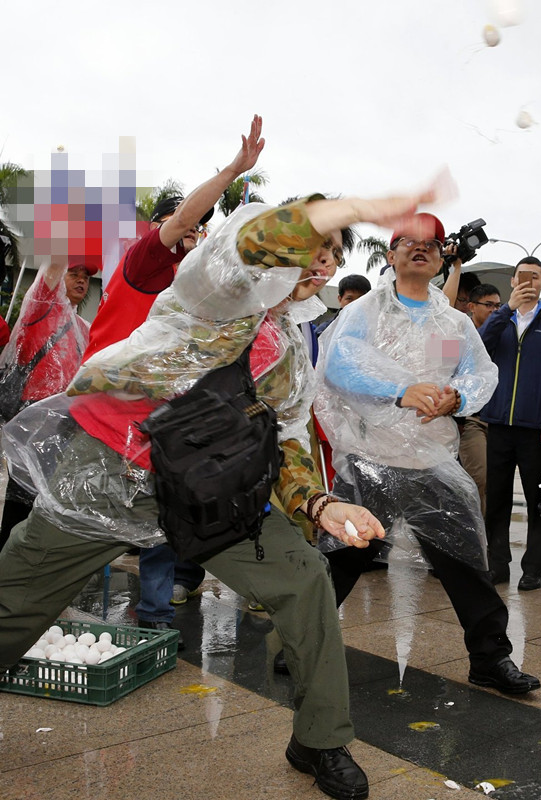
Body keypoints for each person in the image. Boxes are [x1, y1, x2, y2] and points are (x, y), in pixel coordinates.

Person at [0, 187, 442, 800]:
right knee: (16, 602)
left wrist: (321, 504)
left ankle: (319, 739)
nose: (322, 259)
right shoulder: (216, 290)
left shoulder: (289, 352)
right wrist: (355, 207)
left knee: (305, 577)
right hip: (105, 472)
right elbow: (252, 244)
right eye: (316, 242)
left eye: (334, 251)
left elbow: (287, 445)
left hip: (207, 491)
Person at [313, 213, 541, 696]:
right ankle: (298, 645)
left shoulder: (452, 321)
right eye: (408, 243)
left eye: (432, 245)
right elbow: (338, 367)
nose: (421, 249)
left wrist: (457, 396)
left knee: (467, 564)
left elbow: (479, 374)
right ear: (391, 255)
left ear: (441, 259)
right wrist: (400, 390)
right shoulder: (365, 312)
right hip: (371, 462)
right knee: (340, 561)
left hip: (432, 463)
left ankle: (491, 659)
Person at [84, 115, 266, 637]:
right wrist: (234, 169)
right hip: (106, 414)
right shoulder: (145, 262)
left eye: (202, 230)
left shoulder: (198, 294)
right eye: (188, 227)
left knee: (164, 518)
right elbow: (186, 213)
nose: (196, 232)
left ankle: (157, 617)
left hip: (159, 424)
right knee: (88, 520)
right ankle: (61, 603)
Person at [480, 256, 541, 589]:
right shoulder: (500, 318)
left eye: (535, 277)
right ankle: (498, 564)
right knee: (498, 498)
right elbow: (480, 348)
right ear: (513, 282)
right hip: (498, 423)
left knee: (537, 499)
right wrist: (505, 311)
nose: (528, 282)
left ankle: (534, 567)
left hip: (536, 428)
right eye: (522, 277)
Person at [0, 260, 96, 550]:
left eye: (86, 277)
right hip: (36, 422)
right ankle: (6, 568)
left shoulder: (84, 327)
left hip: (68, 425)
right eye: (74, 274)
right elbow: (54, 262)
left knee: (51, 506)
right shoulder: (40, 309)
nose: (82, 280)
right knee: (22, 504)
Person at [457, 283, 502, 515]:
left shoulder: (506, 333)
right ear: (471, 307)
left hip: (499, 421)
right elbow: (442, 370)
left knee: (495, 485)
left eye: (498, 305)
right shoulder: (454, 332)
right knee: (478, 480)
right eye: (489, 305)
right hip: (469, 420)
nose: (495, 310)